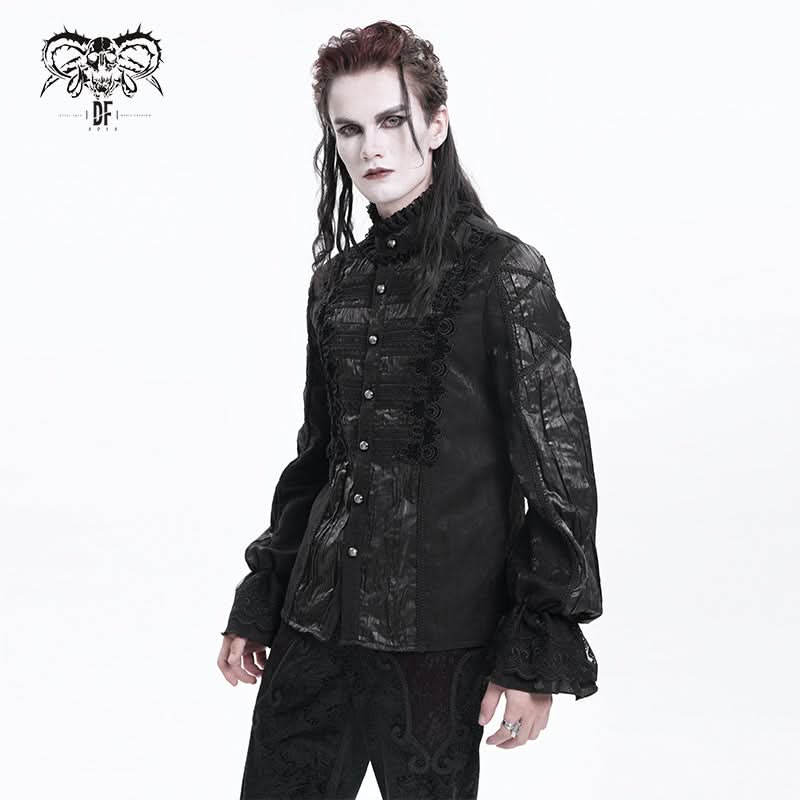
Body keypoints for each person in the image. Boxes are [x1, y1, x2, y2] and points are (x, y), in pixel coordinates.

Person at [217, 19, 602, 800]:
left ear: (435, 123)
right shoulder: (335, 285)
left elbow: (559, 480)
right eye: (349, 129)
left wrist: (537, 651)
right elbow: (318, 459)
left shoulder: (506, 276)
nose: (372, 148)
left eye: (392, 120)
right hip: (316, 631)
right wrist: (262, 598)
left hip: (442, 650)